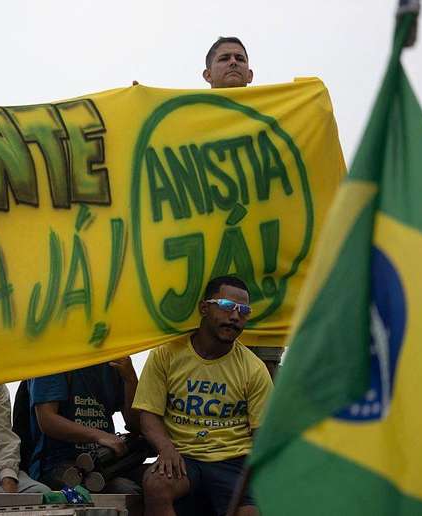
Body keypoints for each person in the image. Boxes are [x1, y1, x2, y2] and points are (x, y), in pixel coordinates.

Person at [133, 275, 273, 516]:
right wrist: (165, 447)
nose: (235, 317)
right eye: (227, 306)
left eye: (244, 311)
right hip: (183, 457)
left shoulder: (254, 368)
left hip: (233, 461)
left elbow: (263, 436)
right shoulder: (166, 354)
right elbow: (148, 414)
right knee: (156, 483)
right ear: (204, 308)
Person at [203, 37, 283, 378]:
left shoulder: (277, 120)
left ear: (250, 73)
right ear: (207, 74)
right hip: (206, 279)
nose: (233, 62)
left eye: (239, 58)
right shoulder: (188, 121)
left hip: (265, 288)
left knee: (263, 387)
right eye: (224, 58)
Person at [29, 357, 143, 493]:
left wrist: (130, 379)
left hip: (107, 460)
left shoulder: (113, 359)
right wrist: (99, 436)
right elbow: (47, 420)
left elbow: (135, 424)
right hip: (58, 464)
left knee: (158, 482)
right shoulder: (54, 355)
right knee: (125, 490)